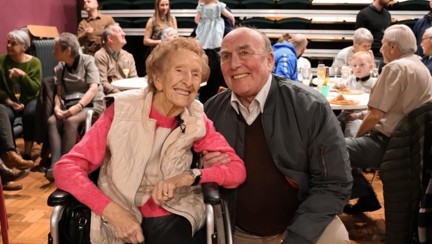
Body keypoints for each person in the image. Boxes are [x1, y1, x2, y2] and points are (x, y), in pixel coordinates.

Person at [53, 37, 246, 243]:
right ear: (158, 78)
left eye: (195, 74)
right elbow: (66, 168)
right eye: (179, 70)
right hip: (119, 211)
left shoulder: (197, 118)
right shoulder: (121, 111)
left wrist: (190, 176)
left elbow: (237, 171)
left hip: (176, 211)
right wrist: (112, 212)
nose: (189, 81)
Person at [204, 27, 352, 244]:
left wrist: (298, 236)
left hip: (302, 224)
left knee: (337, 240)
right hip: (236, 229)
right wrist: (206, 167)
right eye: (226, 56)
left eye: (245, 53)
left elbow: (335, 183)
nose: (234, 64)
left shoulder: (309, 106)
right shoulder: (211, 111)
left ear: (270, 60)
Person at [344, 24, 432, 215]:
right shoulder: (421, 66)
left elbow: (375, 114)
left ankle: (361, 195)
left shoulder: (395, 67)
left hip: (389, 144)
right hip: (412, 144)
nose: (380, 48)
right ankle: (365, 195)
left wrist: (359, 137)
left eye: (383, 44)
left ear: (393, 46)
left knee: (329, 149)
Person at [46, 32, 105, 181]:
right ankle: (55, 164)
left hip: (91, 103)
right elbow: (59, 92)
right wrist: (57, 108)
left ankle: (67, 166)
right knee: (52, 121)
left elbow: (93, 88)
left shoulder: (88, 61)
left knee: (71, 121)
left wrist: (78, 107)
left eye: (56, 49)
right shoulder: (60, 67)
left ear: (67, 51)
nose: (53, 51)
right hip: (70, 104)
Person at [0, 30, 39, 190]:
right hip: (8, 102)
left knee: (31, 112)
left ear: (24, 46)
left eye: (13, 43)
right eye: (8, 42)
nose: (8, 46)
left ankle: (26, 153)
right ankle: (11, 154)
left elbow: (35, 89)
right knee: (2, 112)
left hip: (28, 100)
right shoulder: (1, 61)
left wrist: (23, 76)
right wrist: (9, 101)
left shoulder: (34, 62)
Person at [195, 0, 235, 103]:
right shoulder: (207, 7)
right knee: (207, 80)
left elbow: (229, 29)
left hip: (216, 50)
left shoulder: (219, 7)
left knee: (215, 79)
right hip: (209, 50)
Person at [335, 51, 376, 138]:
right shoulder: (351, 79)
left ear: (371, 67)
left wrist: (358, 115)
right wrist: (339, 85)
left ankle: (349, 148)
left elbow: (376, 109)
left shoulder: (374, 83)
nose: (358, 68)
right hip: (345, 112)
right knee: (332, 125)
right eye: (354, 65)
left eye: (362, 65)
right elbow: (341, 85)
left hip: (361, 115)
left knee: (352, 131)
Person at [94, 23, 137, 95]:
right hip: (111, 96)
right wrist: (120, 94)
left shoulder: (129, 56)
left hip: (128, 94)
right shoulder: (100, 55)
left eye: (122, 31)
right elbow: (103, 82)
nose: (124, 34)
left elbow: (134, 78)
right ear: (110, 38)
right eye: (119, 32)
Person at [356, 0, 392, 68]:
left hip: (385, 55)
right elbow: (359, 38)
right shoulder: (363, 15)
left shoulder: (387, 14)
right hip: (371, 56)